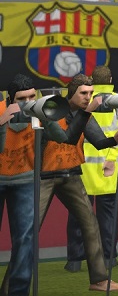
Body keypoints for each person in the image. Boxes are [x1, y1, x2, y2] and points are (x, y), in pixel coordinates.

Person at [38, 74, 118, 292]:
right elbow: (68, 137)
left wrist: (114, 140)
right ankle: (11, 285)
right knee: (30, 228)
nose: (88, 97)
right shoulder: (54, 109)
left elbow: (98, 141)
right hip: (46, 176)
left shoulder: (84, 114)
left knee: (90, 223)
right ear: (72, 93)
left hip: (71, 174)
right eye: (83, 93)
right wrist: (86, 114)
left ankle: (99, 279)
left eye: (90, 93)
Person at [67, 66, 118, 273]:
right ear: (111, 80)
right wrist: (111, 159)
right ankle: (109, 257)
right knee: (109, 215)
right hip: (109, 168)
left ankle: (75, 260)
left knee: (78, 214)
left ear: (92, 81)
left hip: (84, 167)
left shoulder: (83, 100)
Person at [0, 74, 38, 296]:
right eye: (22, 99)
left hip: (24, 179)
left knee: (25, 239)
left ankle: (19, 292)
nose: (28, 103)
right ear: (10, 99)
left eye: (32, 97)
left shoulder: (39, 113)